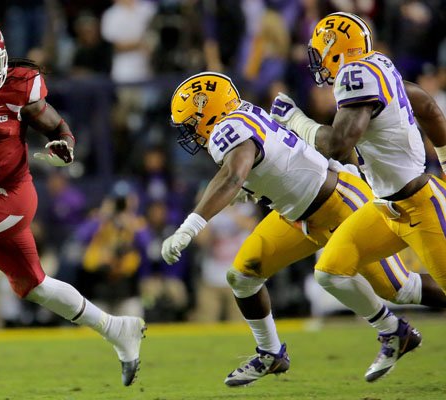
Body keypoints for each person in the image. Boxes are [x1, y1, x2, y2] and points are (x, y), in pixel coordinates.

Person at [161, 71, 446, 387]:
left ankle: (394, 331)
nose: (190, 132)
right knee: (242, 277)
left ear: (208, 111)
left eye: (190, 122)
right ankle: (271, 353)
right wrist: (253, 184)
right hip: (297, 215)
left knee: (401, 289)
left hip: (339, 204)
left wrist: (190, 226)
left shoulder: (227, 129)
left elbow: (231, 175)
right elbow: (271, 157)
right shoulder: (242, 115)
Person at [0, 17, 145, 386]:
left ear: (2, 57)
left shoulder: (20, 85)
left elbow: (59, 129)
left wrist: (64, 148)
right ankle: (118, 329)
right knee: (33, 286)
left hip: (13, 195)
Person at [269, 12, 446, 382]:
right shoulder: (378, 65)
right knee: (331, 272)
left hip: (419, 203)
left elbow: (338, 144)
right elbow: (426, 104)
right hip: (386, 208)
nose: (317, 62)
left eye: (321, 52)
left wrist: (295, 121)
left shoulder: (355, 76)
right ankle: (394, 334)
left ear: (336, 49)